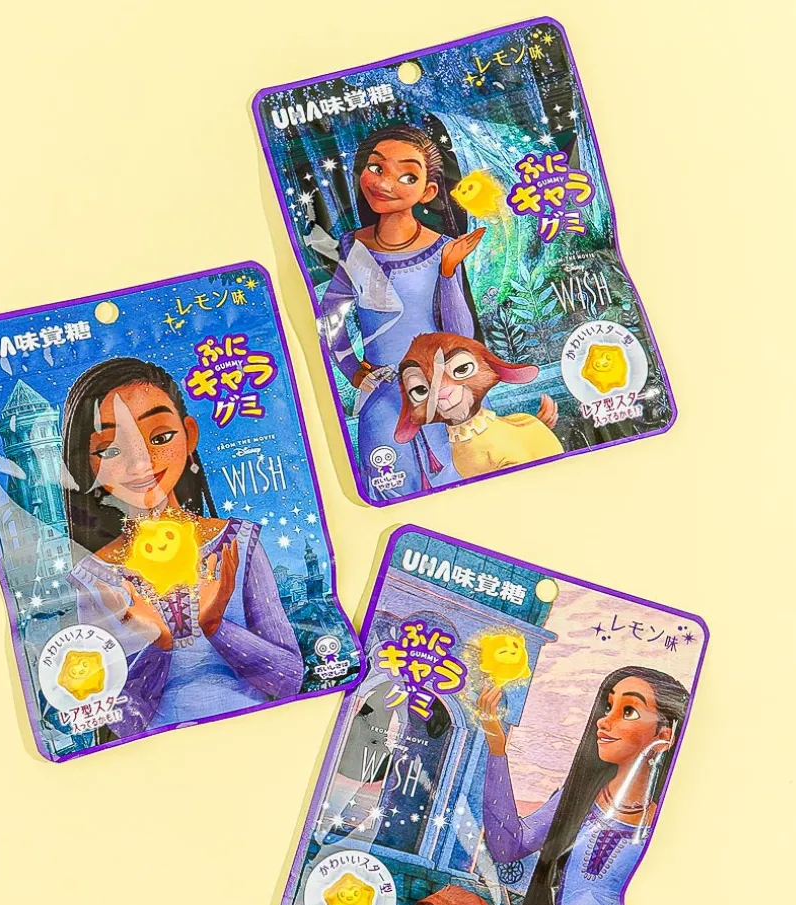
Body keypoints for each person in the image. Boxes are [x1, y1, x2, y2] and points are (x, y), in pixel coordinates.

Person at [61, 357, 303, 736]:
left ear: (189, 435)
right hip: (164, 753)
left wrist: (216, 625)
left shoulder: (236, 542)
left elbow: (289, 679)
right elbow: (115, 720)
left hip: (263, 731)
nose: (141, 463)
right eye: (110, 450)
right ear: (87, 464)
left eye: (159, 438)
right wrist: (159, 640)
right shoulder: (96, 577)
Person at [478, 666, 688, 905]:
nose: (604, 721)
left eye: (628, 710)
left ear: (664, 735)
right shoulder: (576, 800)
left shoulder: (670, 828)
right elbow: (508, 845)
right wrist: (497, 748)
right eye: (608, 707)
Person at [317, 124, 486, 498]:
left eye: (406, 175)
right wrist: (353, 371)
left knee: (464, 477)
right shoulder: (354, 247)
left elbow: (461, 336)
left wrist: (447, 271)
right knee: (387, 483)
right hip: (382, 391)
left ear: (428, 191)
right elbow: (330, 316)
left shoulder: (442, 248)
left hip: (445, 389)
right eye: (376, 168)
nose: (385, 183)